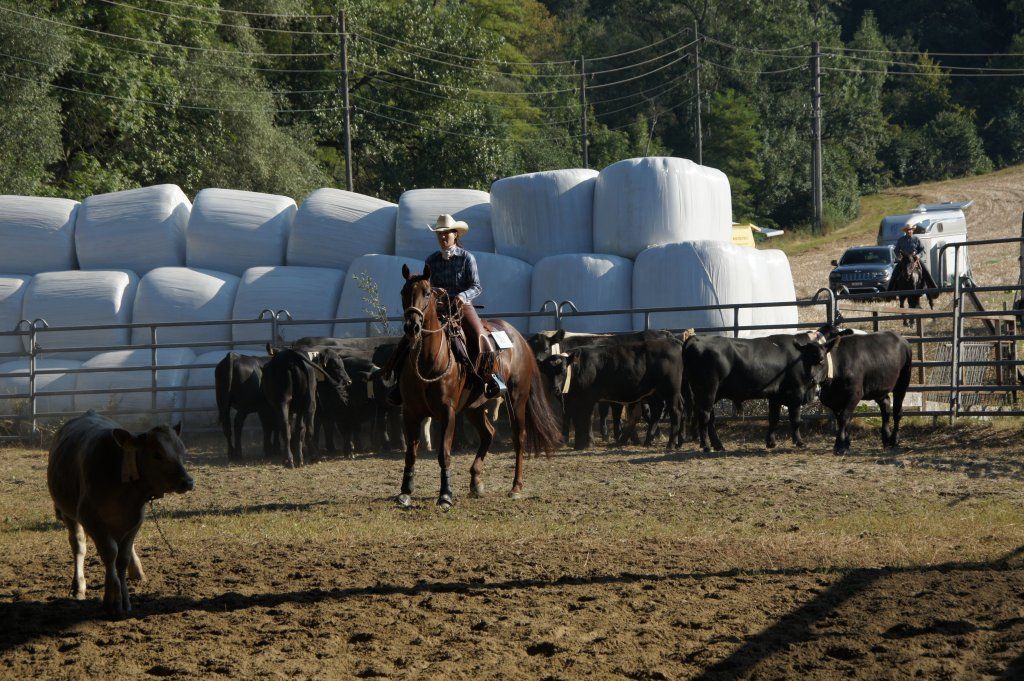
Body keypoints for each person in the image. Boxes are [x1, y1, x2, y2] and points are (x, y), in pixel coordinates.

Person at [386, 214, 498, 407]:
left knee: (480, 336)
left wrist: (462, 296)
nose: (443, 237)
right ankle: (398, 383)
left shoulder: (466, 258)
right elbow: (427, 287)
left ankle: (490, 378)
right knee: (408, 339)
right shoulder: (431, 260)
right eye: (440, 234)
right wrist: (434, 293)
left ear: (455, 234)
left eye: (446, 233)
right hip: (436, 308)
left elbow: (476, 286)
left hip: (462, 306)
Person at [894, 222, 937, 289]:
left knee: (926, 271)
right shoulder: (900, 240)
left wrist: (918, 255)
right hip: (904, 259)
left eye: (910, 230)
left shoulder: (917, 239)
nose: (909, 231)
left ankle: (931, 289)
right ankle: (891, 292)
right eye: (908, 230)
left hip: (915, 259)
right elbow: (896, 250)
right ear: (905, 231)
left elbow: (923, 250)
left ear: (913, 230)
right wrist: (899, 256)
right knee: (895, 272)